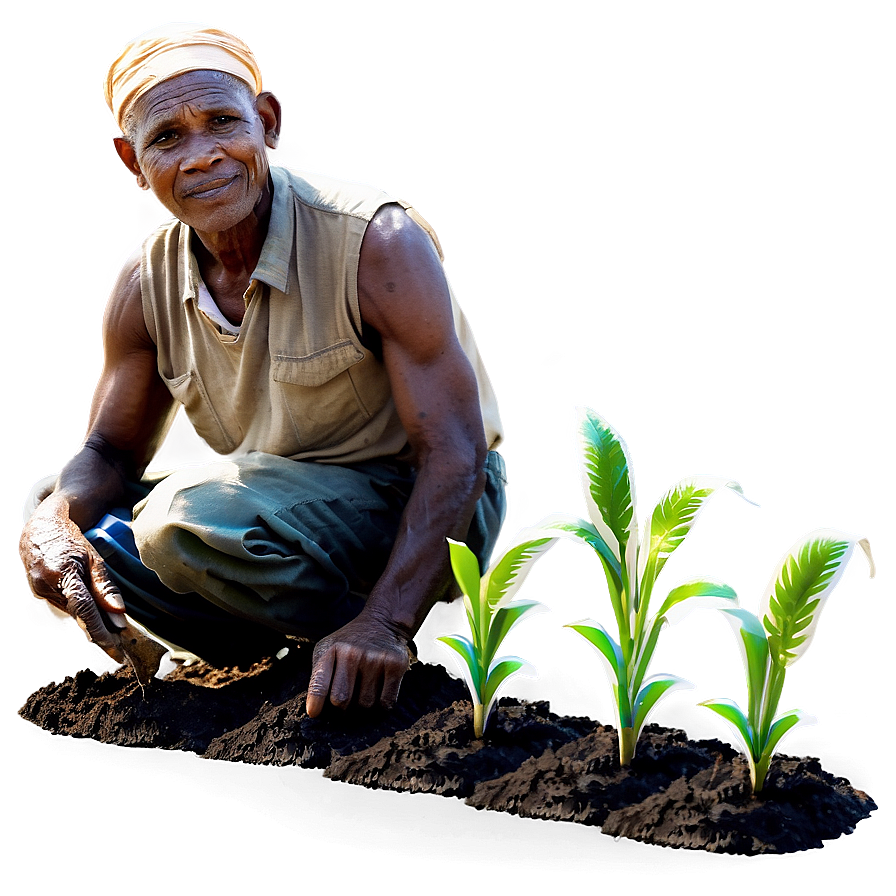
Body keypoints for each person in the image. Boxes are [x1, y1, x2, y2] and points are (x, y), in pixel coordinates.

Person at [19, 21, 505, 718]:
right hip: (272, 517)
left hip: (419, 497)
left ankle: (364, 642)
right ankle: (280, 662)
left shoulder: (374, 242)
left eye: (222, 121)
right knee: (82, 530)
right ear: (131, 161)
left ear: (266, 122)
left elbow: (457, 455)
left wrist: (386, 621)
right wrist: (50, 523)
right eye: (167, 138)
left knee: (181, 521)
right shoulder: (143, 287)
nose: (202, 156)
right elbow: (107, 451)